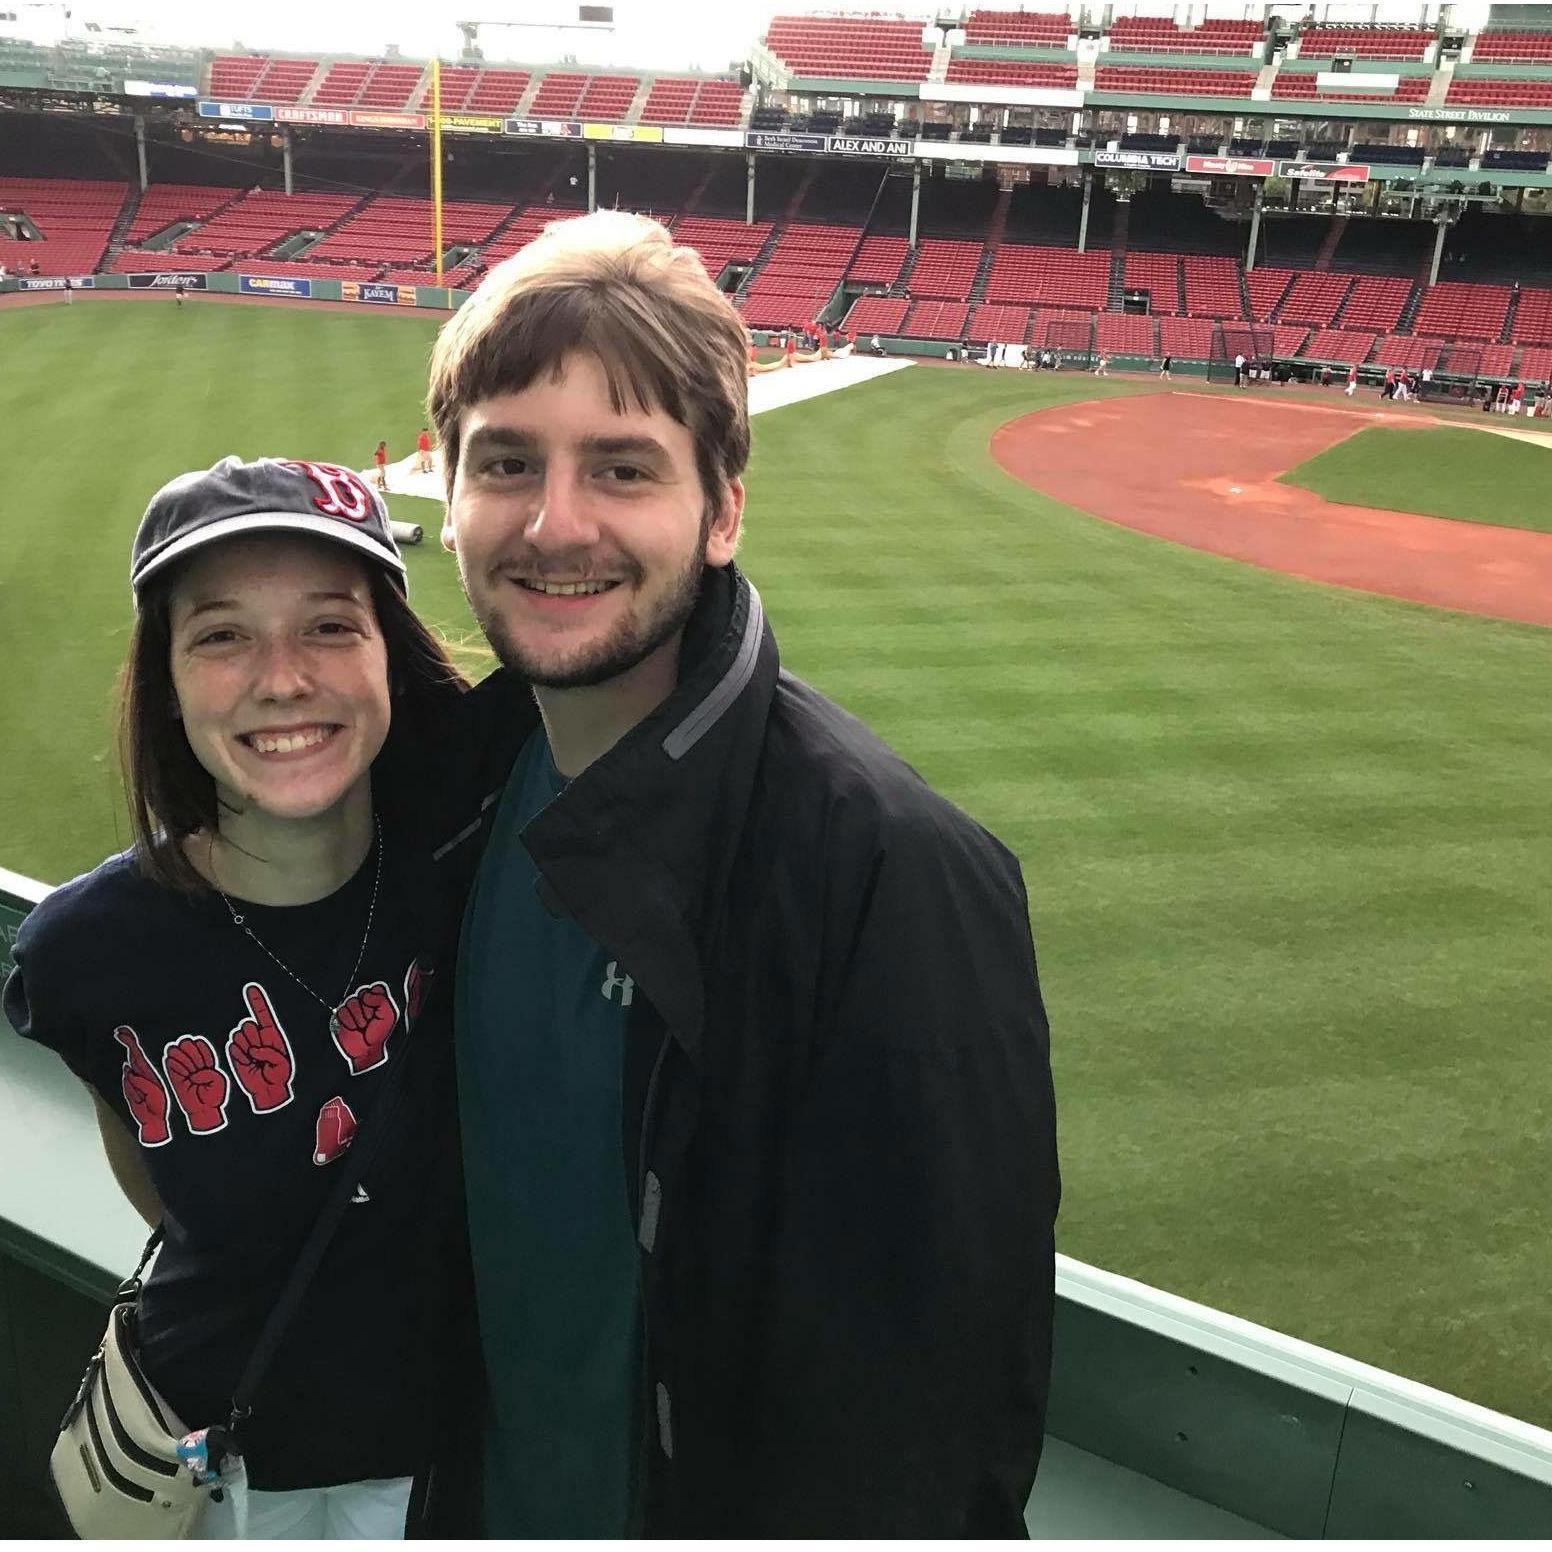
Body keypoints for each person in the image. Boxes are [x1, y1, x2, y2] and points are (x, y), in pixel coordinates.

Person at [420, 209, 1059, 1537]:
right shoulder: (454, 790)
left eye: (622, 469)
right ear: (449, 486)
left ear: (723, 512)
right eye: (507, 462)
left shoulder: (892, 876)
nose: (554, 522)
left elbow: (930, 1449)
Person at [3, 457, 469, 1538]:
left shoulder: (475, 873)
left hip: (458, 1462)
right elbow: (165, 1196)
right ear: (165, 677)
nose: (282, 677)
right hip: (225, 1477)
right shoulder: (84, 952)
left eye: (328, 626)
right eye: (220, 635)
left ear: (386, 654)